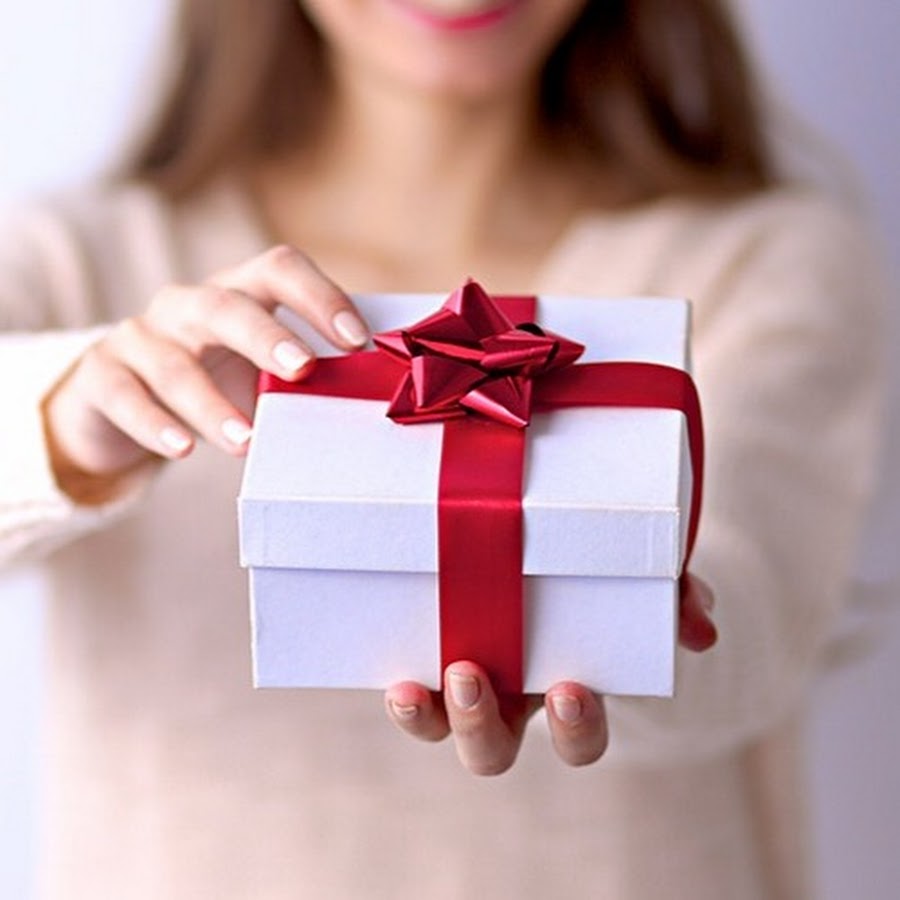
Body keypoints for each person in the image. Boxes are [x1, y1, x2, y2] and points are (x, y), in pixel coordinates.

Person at [0, 1, 887, 898]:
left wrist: (617, 624)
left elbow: (754, 614)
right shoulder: (82, 258)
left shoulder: (765, 260)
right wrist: (64, 421)